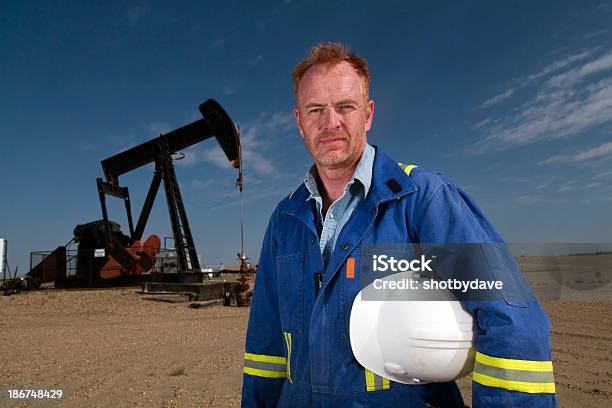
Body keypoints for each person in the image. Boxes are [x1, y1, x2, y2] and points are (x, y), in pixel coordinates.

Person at [242, 42, 557, 407]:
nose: (331, 123)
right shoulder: (285, 220)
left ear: (368, 114)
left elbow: (512, 321)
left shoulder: (422, 199)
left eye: (346, 106)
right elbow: (265, 351)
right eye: (316, 109)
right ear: (299, 121)